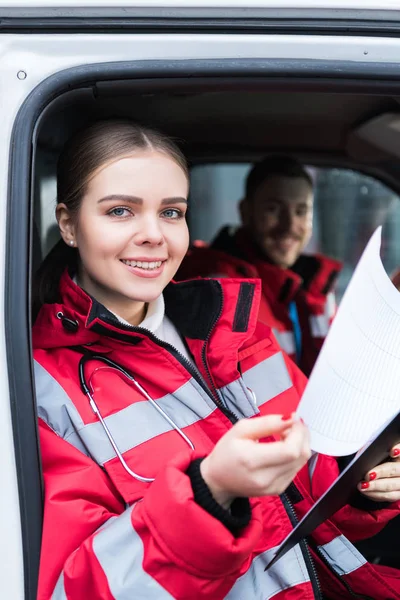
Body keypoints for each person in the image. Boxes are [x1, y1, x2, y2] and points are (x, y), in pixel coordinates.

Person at [33, 120, 400, 600]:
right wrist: (210, 493)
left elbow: (311, 474)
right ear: (68, 224)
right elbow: (76, 589)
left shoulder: (238, 331)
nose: (153, 235)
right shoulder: (42, 388)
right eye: (120, 211)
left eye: (171, 212)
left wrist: (362, 477)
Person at [178, 156, 342, 376]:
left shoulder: (316, 285)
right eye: (274, 209)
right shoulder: (219, 288)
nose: (290, 226)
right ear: (246, 212)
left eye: (301, 212)